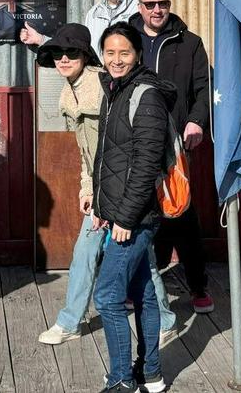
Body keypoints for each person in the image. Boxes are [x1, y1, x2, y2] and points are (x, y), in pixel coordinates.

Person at [35, 24, 177, 350]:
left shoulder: (103, 87)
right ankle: (162, 320)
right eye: (58, 53)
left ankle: (72, 321)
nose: (64, 59)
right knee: (124, 257)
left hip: (124, 190)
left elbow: (123, 148)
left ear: (86, 56)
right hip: (103, 189)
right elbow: (87, 151)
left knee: (101, 253)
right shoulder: (70, 91)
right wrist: (87, 189)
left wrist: (112, 201)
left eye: (72, 52)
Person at [92, 22, 175, 393]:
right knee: (143, 292)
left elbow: (145, 164)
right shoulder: (116, 89)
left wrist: (124, 218)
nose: (116, 59)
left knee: (108, 296)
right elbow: (108, 156)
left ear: (138, 54)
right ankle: (151, 373)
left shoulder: (146, 95)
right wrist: (101, 207)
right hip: (122, 214)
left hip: (136, 218)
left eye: (124, 52)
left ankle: (122, 379)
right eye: (110, 52)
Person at [129, 0, 214, 314]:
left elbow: (203, 88)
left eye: (162, 3)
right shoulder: (127, 39)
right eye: (150, 4)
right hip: (136, 142)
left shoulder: (189, 42)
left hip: (174, 144)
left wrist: (196, 121)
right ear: (140, 7)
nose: (157, 10)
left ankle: (198, 286)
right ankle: (136, 286)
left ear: (169, 4)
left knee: (182, 215)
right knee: (136, 215)